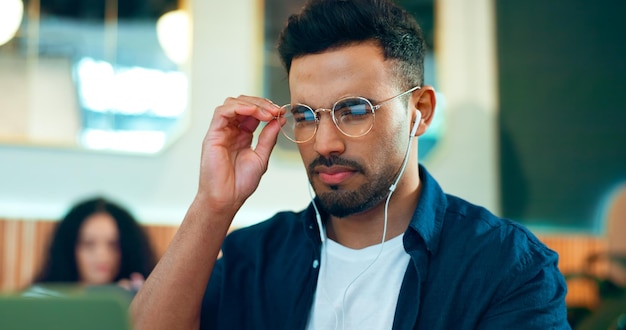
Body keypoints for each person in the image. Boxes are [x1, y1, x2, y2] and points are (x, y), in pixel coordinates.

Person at [131, 0, 569, 329]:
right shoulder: (257, 258)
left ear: (420, 111)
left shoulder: (506, 267)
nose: (325, 143)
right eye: (304, 115)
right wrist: (213, 205)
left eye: (355, 110)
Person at [33, 196, 156, 292]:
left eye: (113, 245)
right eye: (88, 244)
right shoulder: (39, 299)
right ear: (69, 248)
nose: (101, 254)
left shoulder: (140, 299)